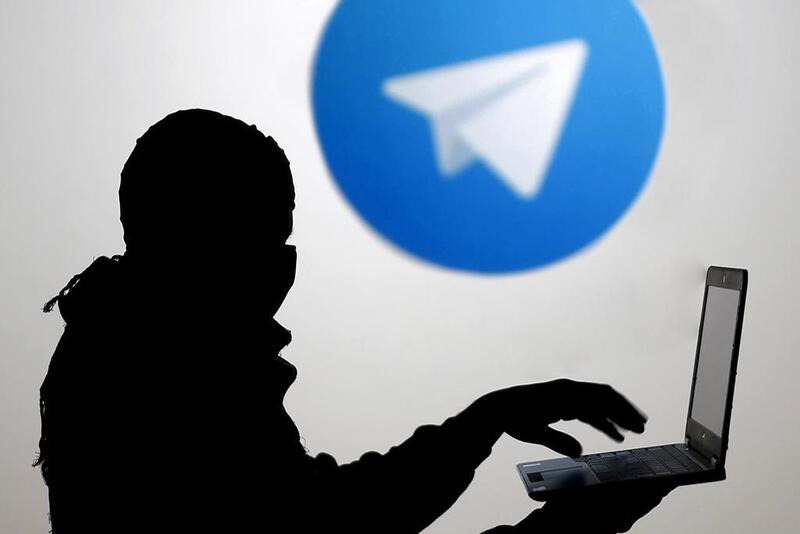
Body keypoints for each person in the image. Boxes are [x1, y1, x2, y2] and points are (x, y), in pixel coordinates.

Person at [36, 109, 670, 533]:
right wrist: (571, 524)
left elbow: (325, 512)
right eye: (264, 240)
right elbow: (332, 527)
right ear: (201, 237)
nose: (282, 266)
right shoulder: (178, 375)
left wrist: (487, 420)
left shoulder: (125, 342)